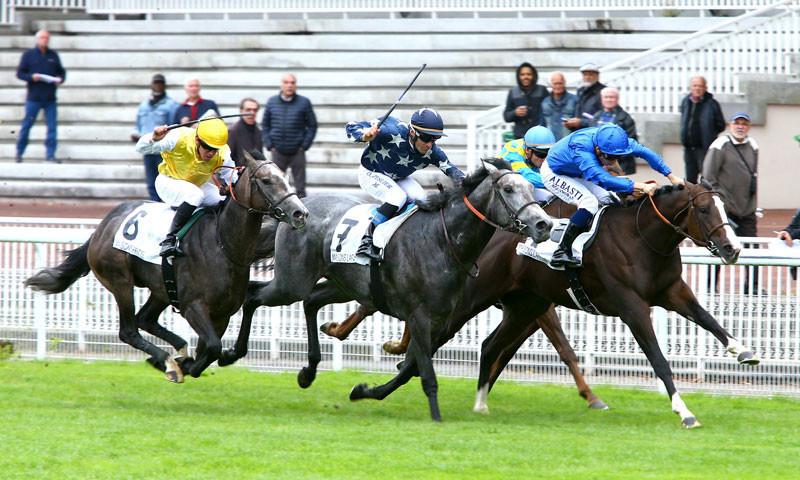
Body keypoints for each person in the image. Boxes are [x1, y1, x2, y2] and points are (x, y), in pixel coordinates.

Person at [541, 124, 684, 267]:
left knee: (610, 199)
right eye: (609, 157)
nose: (612, 162)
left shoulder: (618, 142)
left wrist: (671, 176)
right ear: (598, 149)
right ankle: (562, 251)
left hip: (578, 170)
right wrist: (640, 186)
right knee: (589, 203)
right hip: (555, 172)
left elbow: (646, 153)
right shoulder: (581, 147)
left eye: (617, 157)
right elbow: (602, 178)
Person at [345, 108, 465, 260]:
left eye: (435, 139)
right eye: (426, 138)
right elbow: (350, 126)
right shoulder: (390, 130)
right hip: (371, 173)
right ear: (413, 132)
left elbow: (453, 171)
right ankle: (367, 240)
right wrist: (364, 135)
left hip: (397, 177)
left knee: (422, 199)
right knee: (397, 197)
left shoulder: (433, 152)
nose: (430, 144)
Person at [135, 118, 235, 257]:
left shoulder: (223, 152)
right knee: (195, 195)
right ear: (197, 140)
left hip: (196, 185)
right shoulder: (178, 137)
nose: (211, 153)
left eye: (215, 149)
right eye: (208, 147)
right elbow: (140, 148)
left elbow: (232, 177)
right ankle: (170, 240)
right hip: (168, 181)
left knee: (224, 200)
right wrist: (154, 138)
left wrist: (234, 186)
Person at [703, 112, 759, 292]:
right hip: (724, 209)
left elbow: (753, 176)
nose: (740, 126)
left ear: (748, 127)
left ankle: (752, 286)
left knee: (752, 248)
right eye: (737, 123)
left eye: (744, 123)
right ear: (730, 125)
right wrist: (720, 201)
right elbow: (708, 177)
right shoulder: (720, 145)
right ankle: (710, 286)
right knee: (720, 245)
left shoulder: (753, 145)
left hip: (747, 209)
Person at [261, 73, 317, 198]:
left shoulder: (304, 102)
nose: (289, 85)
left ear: (296, 85)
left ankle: (302, 208)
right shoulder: (272, 102)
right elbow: (265, 125)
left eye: (292, 82)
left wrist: (304, 146)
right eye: (286, 82)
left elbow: (312, 126)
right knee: (276, 187)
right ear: (281, 85)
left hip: (297, 152)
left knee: (300, 188)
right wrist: (270, 145)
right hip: (277, 152)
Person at [15, 29, 66, 164]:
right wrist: (31, 77)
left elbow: (61, 72)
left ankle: (50, 155)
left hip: (50, 98)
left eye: (47, 38)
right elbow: (20, 73)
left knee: (52, 127)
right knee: (27, 125)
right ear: (37, 39)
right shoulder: (29, 55)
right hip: (34, 97)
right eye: (42, 38)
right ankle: (19, 153)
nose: (45, 40)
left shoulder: (53, 55)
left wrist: (60, 79)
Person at [132, 73, 179, 201]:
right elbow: (138, 125)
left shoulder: (171, 105)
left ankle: (165, 204)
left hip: (162, 150)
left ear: (164, 85)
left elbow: (173, 127)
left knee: (164, 179)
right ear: (151, 85)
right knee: (151, 181)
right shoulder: (144, 105)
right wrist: (135, 133)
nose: (158, 85)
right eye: (156, 83)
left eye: (160, 83)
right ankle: (154, 204)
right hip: (148, 148)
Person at [680, 76, 725, 183]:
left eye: (700, 86)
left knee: (707, 180)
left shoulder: (712, 104)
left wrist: (709, 134)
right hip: (689, 149)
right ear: (691, 87)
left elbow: (721, 125)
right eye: (695, 86)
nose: (697, 88)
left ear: (705, 88)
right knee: (690, 182)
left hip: (704, 149)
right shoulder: (686, 102)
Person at [497, 126, 555, 203]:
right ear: (528, 150)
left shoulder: (531, 150)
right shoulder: (512, 150)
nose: (545, 160)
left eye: (548, 155)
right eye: (541, 154)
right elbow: (525, 176)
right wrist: (555, 182)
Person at [590, 86, 638, 174]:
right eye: (606, 97)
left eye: (612, 97)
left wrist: (611, 160)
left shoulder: (625, 118)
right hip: (598, 165)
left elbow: (631, 143)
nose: (608, 100)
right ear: (602, 99)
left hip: (620, 164)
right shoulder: (596, 116)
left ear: (617, 99)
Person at [503, 62, 548, 139]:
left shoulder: (542, 90)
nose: (525, 77)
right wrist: (515, 112)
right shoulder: (513, 92)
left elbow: (549, 111)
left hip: (538, 136)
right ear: (518, 76)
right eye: (522, 74)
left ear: (534, 75)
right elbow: (506, 116)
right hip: (520, 136)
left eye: (529, 74)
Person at [564, 62, 606, 133]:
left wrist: (581, 122)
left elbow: (603, 118)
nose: (587, 77)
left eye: (590, 74)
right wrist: (571, 123)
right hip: (580, 132)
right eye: (585, 74)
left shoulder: (604, 92)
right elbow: (577, 112)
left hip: (594, 133)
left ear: (597, 76)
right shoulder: (580, 91)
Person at [541, 71, 577, 141]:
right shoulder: (545, 102)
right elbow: (542, 125)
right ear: (551, 84)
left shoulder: (574, 100)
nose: (558, 86)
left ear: (564, 83)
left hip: (567, 143)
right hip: (550, 143)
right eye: (555, 83)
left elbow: (578, 125)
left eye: (560, 83)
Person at [228, 98, 263, 167]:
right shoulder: (233, 131)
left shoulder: (258, 130)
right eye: (248, 110)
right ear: (241, 111)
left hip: (256, 171)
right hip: (239, 172)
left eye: (255, 110)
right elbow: (228, 158)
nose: (252, 113)